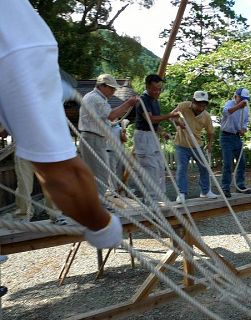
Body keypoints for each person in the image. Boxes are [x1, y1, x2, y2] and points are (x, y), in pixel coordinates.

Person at [0, 0, 124, 249]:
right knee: (30, 180)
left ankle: (55, 213)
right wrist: (104, 228)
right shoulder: (22, 36)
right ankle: (27, 214)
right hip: (44, 143)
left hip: (35, 140)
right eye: (110, 87)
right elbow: (64, 178)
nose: (112, 91)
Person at [78, 74, 138, 197]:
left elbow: (108, 118)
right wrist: (128, 103)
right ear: (103, 86)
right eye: (111, 88)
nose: (114, 91)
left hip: (93, 138)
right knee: (101, 174)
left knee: (97, 173)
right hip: (93, 138)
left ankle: (96, 202)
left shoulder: (93, 97)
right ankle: (98, 204)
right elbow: (111, 115)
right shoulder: (96, 98)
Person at [133, 74, 179, 202]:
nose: (157, 92)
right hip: (143, 136)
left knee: (159, 166)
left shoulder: (154, 100)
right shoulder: (143, 100)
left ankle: (159, 197)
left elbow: (154, 123)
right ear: (147, 87)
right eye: (154, 89)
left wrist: (162, 132)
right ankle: (150, 200)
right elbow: (150, 119)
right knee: (150, 168)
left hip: (151, 134)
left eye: (159, 89)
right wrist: (169, 115)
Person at [173, 91, 217, 204]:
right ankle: (181, 193)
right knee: (182, 169)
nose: (200, 108)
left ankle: (205, 191)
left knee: (205, 167)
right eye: (198, 104)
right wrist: (178, 123)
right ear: (193, 101)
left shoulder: (206, 116)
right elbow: (172, 116)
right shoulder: (183, 106)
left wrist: (210, 144)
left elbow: (211, 132)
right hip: (181, 144)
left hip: (197, 145)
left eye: (203, 105)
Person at [220, 88, 251, 197]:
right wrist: (238, 106)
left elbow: (244, 124)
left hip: (236, 137)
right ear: (236, 96)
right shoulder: (230, 103)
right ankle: (225, 188)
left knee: (242, 162)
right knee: (228, 163)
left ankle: (240, 185)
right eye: (242, 99)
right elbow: (225, 112)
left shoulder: (246, 109)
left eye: (246, 99)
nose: (244, 102)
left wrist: (243, 130)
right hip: (226, 136)